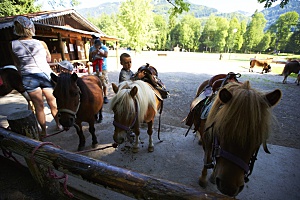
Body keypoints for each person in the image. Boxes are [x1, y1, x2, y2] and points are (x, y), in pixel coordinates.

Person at [9, 16, 62, 137]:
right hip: (44, 74)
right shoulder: (41, 43)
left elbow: (17, 63)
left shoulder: (12, 44)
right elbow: (48, 59)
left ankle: (43, 131)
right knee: (53, 102)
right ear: (30, 28)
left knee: (39, 107)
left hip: (28, 77)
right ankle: (59, 124)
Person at [89, 38, 109, 104]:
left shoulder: (104, 47)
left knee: (103, 82)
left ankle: (105, 96)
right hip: (95, 67)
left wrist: (99, 52)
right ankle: (98, 96)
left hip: (103, 67)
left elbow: (106, 55)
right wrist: (93, 53)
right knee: (95, 82)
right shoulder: (91, 48)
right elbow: (90, 59)